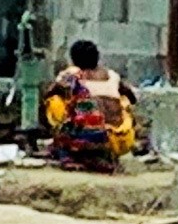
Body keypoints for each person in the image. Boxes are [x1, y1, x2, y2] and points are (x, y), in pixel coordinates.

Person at [40, 39, 141, 171]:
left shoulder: (72, 74)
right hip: (121, 140)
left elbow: (49, 93)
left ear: (74, 59)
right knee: (122, 102)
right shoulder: (112, 75)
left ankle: (70, 153)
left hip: (92, 137)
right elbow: (132, 97)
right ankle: (106, 153)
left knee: (56, 101)